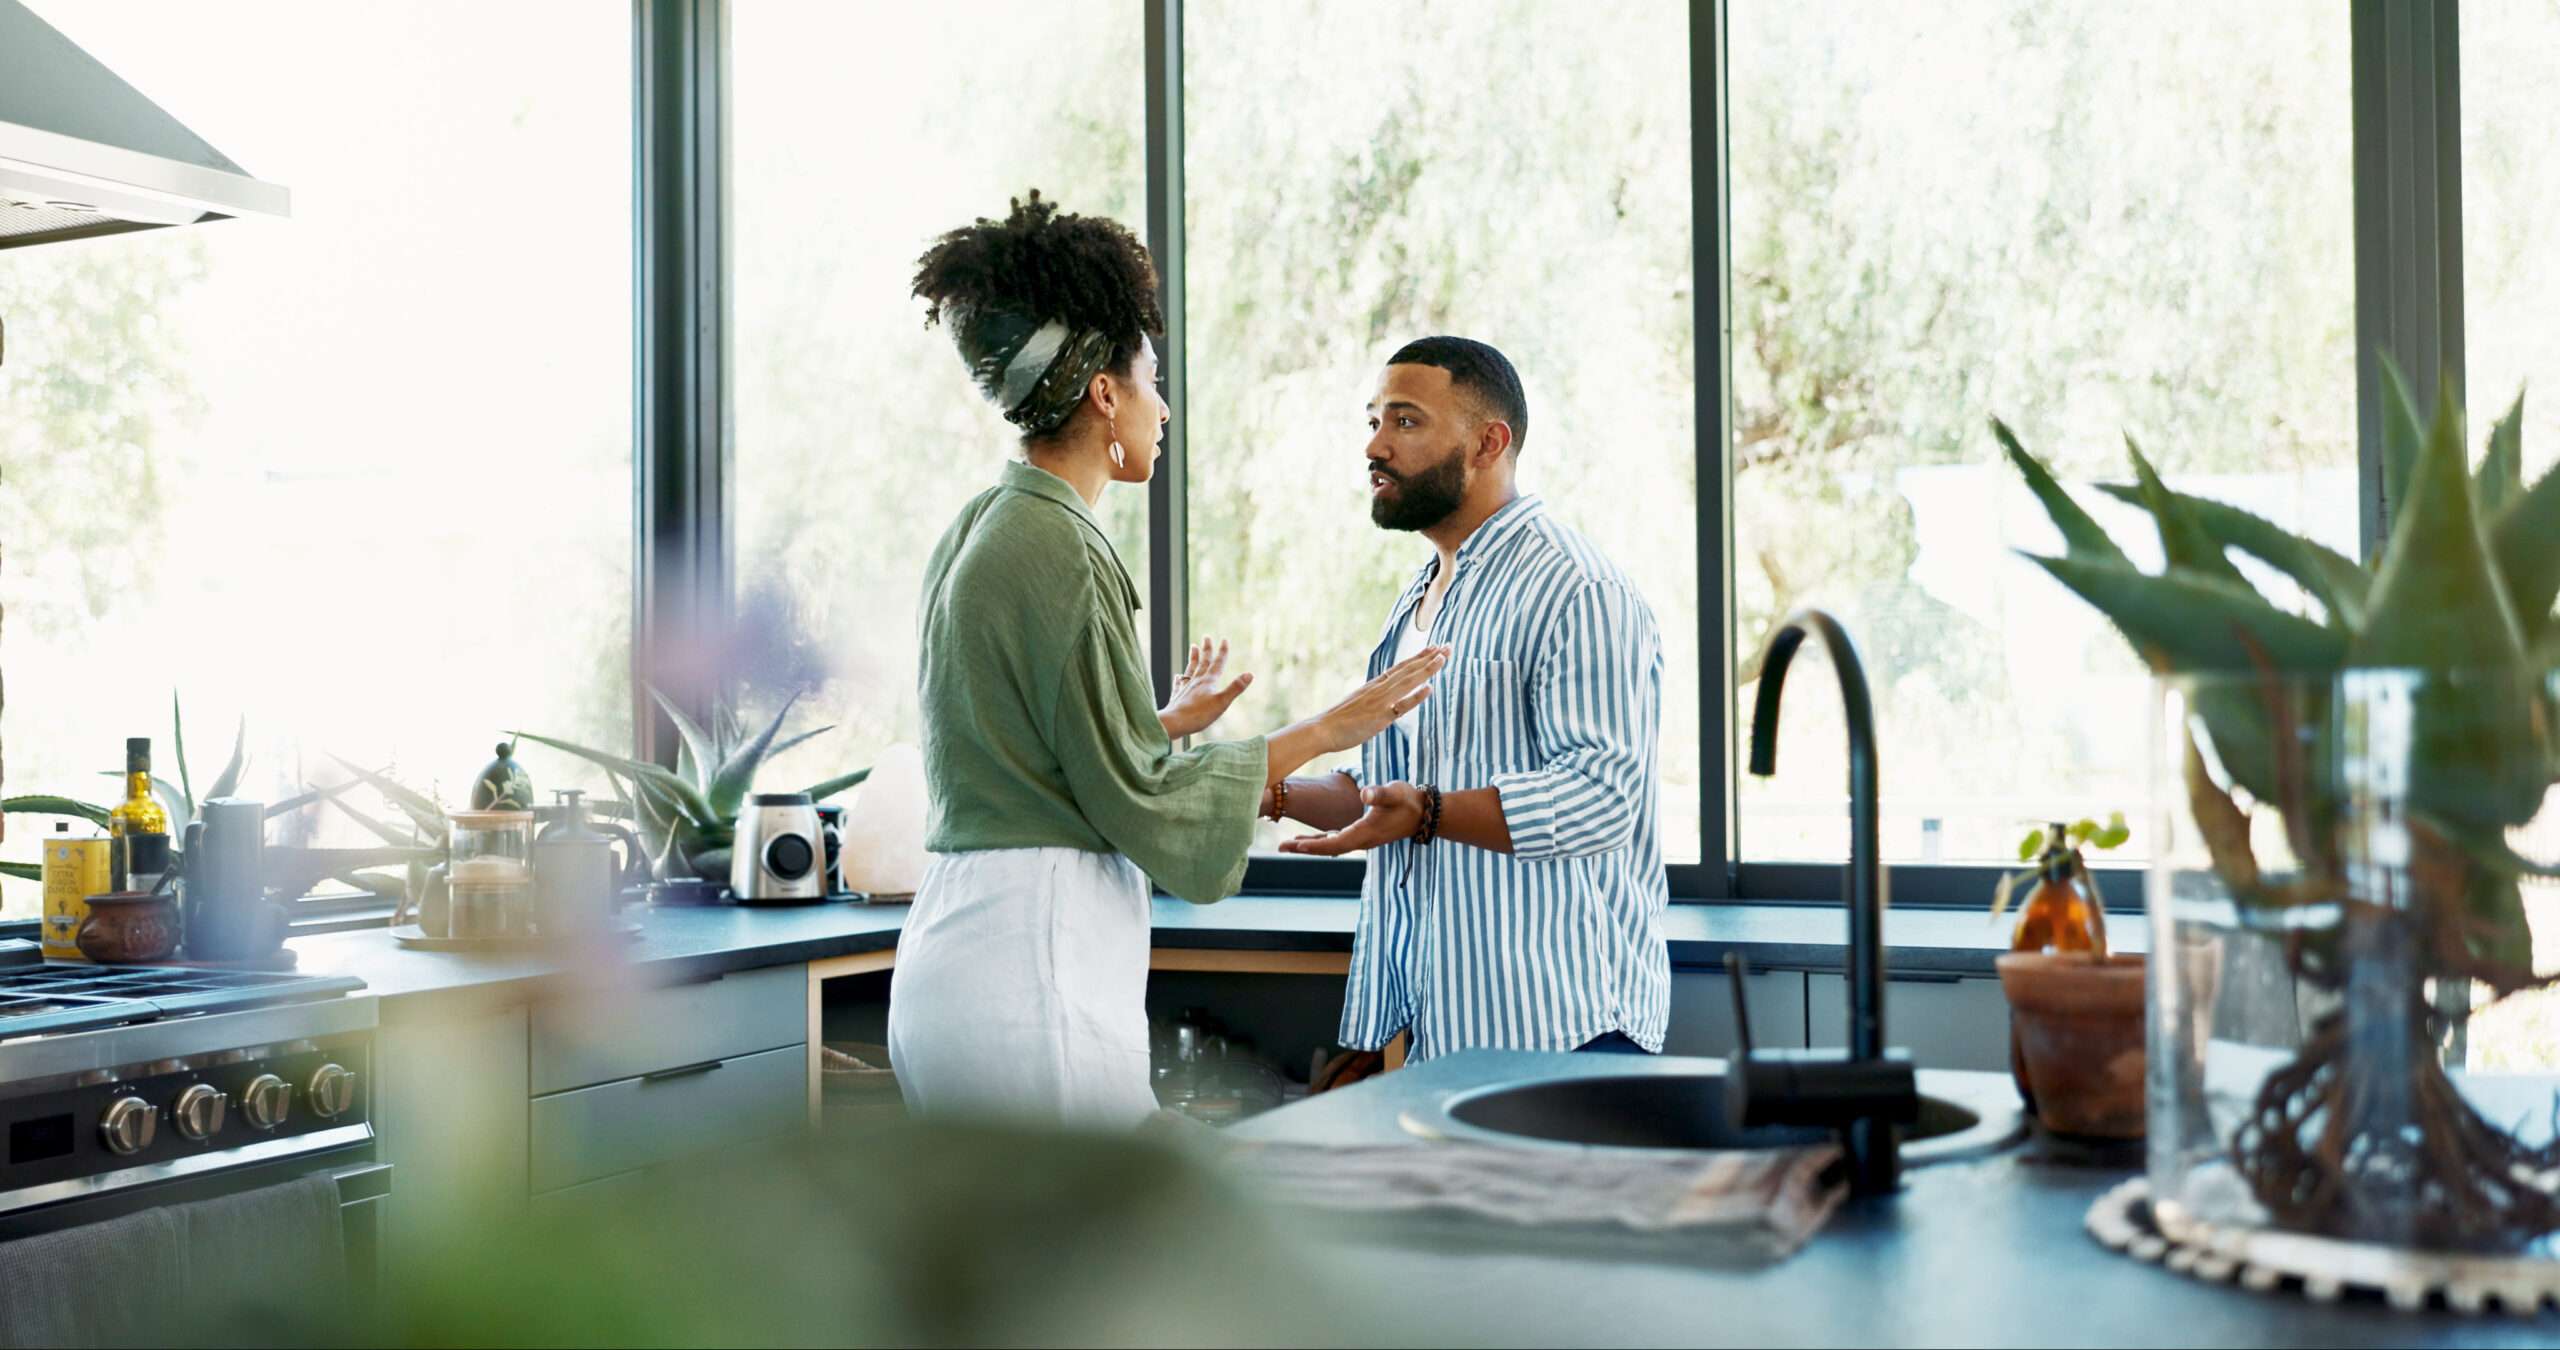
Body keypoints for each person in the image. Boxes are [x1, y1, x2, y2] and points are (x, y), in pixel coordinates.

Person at [889, 193, 1448, 1127]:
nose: (1165, 405)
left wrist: (1159, 724)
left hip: (965, 958)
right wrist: (1326, 730)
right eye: (1149, 379)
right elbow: (1138, 798)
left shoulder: (986, 526)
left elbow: (1022, 760)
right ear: (1105, 394)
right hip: (1033, 970)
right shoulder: (1059, 547)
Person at [1270, 336, 1671, 1061]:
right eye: (1373, 422)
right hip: (1445, 1030)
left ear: (1490, 443)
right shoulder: (1421, 597)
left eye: (1406, 421)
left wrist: (1427, 812)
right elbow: (1390, 794)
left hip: (1563, 1030)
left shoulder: (1578, 587)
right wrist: (1272, 790)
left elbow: (1603, 797)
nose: (1376, 446)